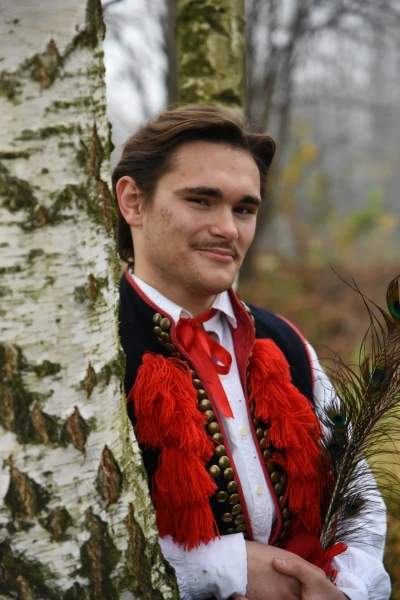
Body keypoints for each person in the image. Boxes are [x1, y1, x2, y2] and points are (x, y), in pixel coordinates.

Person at [114, 106, 391, 600]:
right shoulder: (94, 355)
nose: (229, 228)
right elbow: (73, 538)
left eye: (244, 209)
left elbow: (359, 499)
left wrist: (341, 590)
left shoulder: (284, 341)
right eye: (202, 200)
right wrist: (230, 569)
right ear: (133, 202)